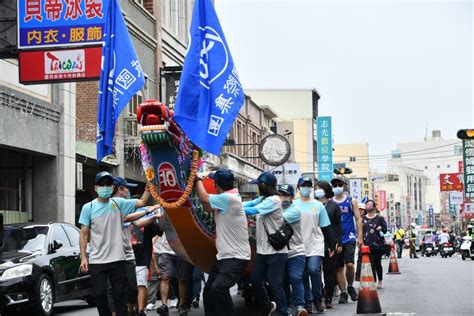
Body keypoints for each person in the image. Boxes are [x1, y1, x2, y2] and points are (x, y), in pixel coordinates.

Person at [79, 171, 153, 316]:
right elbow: (84, 233)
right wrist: (83, 257)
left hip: (118, 259)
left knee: (120, 295)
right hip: (97, 260)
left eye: (108, 184)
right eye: (102, 184)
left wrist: (149, 186)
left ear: (113, 188)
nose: (105, 187)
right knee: (99, 294)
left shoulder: (119, 204)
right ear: (95, 187)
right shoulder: (89, 208)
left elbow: (142, 202)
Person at [195, 168, 251, 316]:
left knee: (218, 288)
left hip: (236, 257)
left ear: (216, 184)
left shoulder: (229, 198)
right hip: (224, 256)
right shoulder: (226, 198)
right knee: (208, 291)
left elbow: (204, 198)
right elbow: (207, 206)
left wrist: (197, 179)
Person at [243, 171, 288, 316]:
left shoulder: (273, 201)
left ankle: (283, 312)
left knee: (275, 284)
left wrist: (231, 208)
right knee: (255, 281)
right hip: (263, 251)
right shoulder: (264, 198)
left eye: (259, 185)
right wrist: (231, 202)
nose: (258, 188)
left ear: (264, 185)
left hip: (276, 252)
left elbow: (251, 210)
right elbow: (248, 203)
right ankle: (267, 306)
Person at [106, 177, 151, 316]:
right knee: (111, 288)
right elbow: (141, 204)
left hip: (126, 254)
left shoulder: (122, 204)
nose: (128, 191)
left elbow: (135, 221)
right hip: (109, 254)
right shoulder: (109, 205)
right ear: (120, 189)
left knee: (132, 286)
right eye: (127, 188)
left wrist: (149, 211)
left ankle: (130, 308)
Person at [294, 176, 334, 314]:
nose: (306, 188)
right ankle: (308, 302)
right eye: (303, 185)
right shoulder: (293, 205)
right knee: (303, 275)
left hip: (316, 243)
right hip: (298, 245)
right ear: (298, 188)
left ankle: (318, 299)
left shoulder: (318, 205)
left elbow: (325, 227)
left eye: (308, 185)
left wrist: (330, 245)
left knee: (313, 270)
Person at [331, 174, 363, 304]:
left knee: (350, 264)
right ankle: (343, 291)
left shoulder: (351, 201)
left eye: (340, 184)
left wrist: (360, 236)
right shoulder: (330, 202)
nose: (337, 187)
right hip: (336, 238)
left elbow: (358, 218)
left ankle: (350, 286)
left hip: (349, 236)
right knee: (339, 267)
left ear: (344, 186)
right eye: (335, 185)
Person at [278, 184, 308, 316]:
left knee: (295, 277)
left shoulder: (295, 210)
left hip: (296, 251)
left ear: (291, 197)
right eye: (281, 194)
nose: (283, 197)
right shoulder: (275, 208)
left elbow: (278, 221)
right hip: (280, 252)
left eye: (286, 195)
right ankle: (286, 307)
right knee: (282, 281)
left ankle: (300, 306)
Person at [130, 208, 163, 316]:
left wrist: (161, 215)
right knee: (131, 287)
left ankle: (141, 310)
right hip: (126, 259)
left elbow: (160, 230)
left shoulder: (149, 224)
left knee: (141, 284)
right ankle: (132, 308)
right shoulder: (125, 221)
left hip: (142, 260)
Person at [314, 180, 341, 309]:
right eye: (315, 188)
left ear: (325, 190)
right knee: (314, 271)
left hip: (329, 243)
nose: (316, 190)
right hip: (314, 242)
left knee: (329, 271)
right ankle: (318, 295)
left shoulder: (334, 206)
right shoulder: (312, 204)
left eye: (318, 188)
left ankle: (328, 297)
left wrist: (338, 243)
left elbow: (338, 226)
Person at [155, 229, 193, 316]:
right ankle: (164, 306)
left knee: (182, 279)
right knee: (165, 277)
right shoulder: (163, 215)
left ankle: (182, 305)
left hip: (182, 249)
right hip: (165, 250)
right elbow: (159, 228)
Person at [361, 200, 387, 289]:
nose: (368, 206)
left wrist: (381, 228)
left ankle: (380, 280)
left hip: (377, 244)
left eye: (370, 204)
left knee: (377, 263)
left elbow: (385, 230)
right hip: (366, 245)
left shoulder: (380, 218)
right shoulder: (362, 218)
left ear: (374, 207)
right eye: (367, 204)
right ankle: (371, 280)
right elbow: (360, 231)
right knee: (368, 264)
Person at [355, 203, 366, 283]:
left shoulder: (366, 219)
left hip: (364, 242)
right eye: (359, 209)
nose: (360, 211)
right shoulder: (352, 219)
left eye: (362, 210)